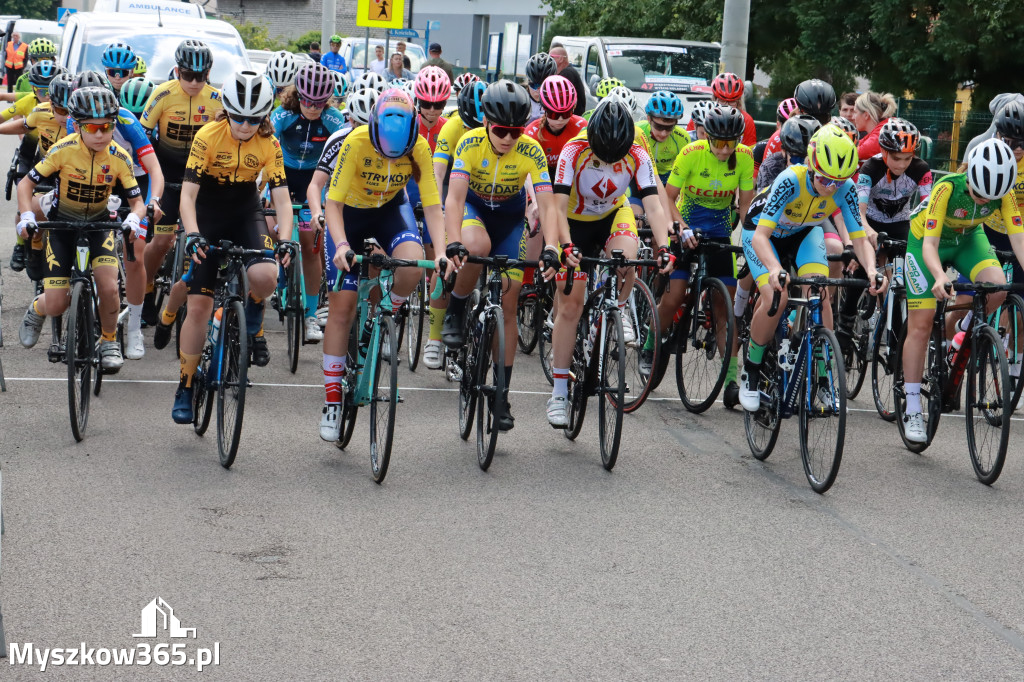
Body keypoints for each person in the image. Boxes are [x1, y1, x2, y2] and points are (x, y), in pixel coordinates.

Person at [318, 88, 449, 441]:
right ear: (374, 128)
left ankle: (386, 310)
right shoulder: (357, 142)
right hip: (351, 214)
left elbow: (434, 207)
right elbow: (332, 205)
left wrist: (440, 252)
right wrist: (342, 245)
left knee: (412, 266)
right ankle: (332, 399)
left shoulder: (419, 146)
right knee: (342, 308)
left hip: (392, 210)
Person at [171, 70, 295, 423]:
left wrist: (285, 239)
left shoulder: (269, 143)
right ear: (226, 111)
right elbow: (188, 195)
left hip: (244, 209)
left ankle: (254, 304)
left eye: (253, 119)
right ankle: (186, 382)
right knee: (198, 307)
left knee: (267, 274)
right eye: (238, 117)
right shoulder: (208, 136)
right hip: (207, 212)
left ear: (264, 116)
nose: (244, 125)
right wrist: (193, 234)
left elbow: (282, 201)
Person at [544, 98, 674, 426]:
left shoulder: (638, 153)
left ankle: (615, 310)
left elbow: (655, 206)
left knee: (627, 259)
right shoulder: (574, 150)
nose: (610, 160)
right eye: (604, 154)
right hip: (572, 221)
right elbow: (556, 208)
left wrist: (664, 247)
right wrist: (566, 246)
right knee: (571, 305)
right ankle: (559, 392)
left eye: (616, 155)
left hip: (613, 213)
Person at [738, 125, 885, 412]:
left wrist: (871, 271)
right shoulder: (789, 180)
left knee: (820, 292)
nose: (831, 187)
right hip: (762, 234)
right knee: (774, 297)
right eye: (825, 179)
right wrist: (773, 269)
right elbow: (760, 238)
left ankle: (823, 377)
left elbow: (859, 238)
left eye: (838, 182)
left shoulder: (846, 188)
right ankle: (751, 370)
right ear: (810, 164)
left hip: (804, 233)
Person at [440, 79, 558, 431]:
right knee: (477, 248)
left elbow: (548, 204)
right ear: (488, 123)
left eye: (515, 131)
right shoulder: (470, 143)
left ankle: (501, 394)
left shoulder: (531, 149)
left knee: (510, 299)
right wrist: (452, 240)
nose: (508, 138)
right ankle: (457, 308)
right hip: (475, 210)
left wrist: (552, 246)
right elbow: (454, 199)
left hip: (509, 219)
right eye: (501, 130)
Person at [899, 139, 1023, 442]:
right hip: (927, 243)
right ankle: (913, 405)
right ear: (970, 176)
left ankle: (964, 332)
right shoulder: (947, 188)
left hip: (969, 240)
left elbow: (1019, 239)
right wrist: (940, 277)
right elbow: (929, 244)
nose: (983, 201)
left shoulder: (1003, 195)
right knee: (922, 322)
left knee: (998, 288)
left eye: (990, 197)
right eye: (979, 194)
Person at [16, 87, 146, 373]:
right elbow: (26, 184)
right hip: (62, 226)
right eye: (91, 127)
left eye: (106, 127)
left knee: (110, 287)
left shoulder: (120, 157)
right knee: (56, 303)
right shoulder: (62, 150)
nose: (99, 134)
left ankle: (110, 339)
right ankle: (37, 309)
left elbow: (137, 202)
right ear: (77, 124)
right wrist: (26, 214)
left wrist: (134, 219)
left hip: (99, 226)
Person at [647, 106, 754, 394]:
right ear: (707, 137)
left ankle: (731, 379)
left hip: (719, 229)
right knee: (675, 296)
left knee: (725, 308)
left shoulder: (743, 157)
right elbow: (668, 198)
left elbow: (745, 207)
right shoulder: (691, 152)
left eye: (730, 143)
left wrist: (752, 237)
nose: (724, 150)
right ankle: (650, 343)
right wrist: (680, 227)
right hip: (686, 225)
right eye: (718, 143)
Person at [141, 40, 223, 337]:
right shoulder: (162, 94)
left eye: (200, 76)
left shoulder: (217, 99)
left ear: (208, 74)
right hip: (168, 171)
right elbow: (144, 136)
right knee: (161, 243)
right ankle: (148, 287)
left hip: (201, 173)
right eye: (187, 74)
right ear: (176, 70)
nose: (193, 82)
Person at [271, 62, 346, 343]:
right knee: (271, 228)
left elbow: (344, 151)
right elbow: (268, 147)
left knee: (310, 245)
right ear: (297, 94)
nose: (313, 108)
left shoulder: (334, 119)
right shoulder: (283, 114)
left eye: (319, 102)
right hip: (283, 175)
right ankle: (280, 281)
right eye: (307, 101)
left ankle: (312, 315)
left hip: (314, 180)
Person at [852, 91, 897, 160]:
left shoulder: (882, 134)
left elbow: (853, 153)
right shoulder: (880, 130)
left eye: (855, 112)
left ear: (866, 115)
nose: (853, 117)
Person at [547, 43, 586, 116]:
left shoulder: (567, 74)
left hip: (571, 117)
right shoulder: (568, 72)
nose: (549, 60)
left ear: (561, 59)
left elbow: (559, 100)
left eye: (551, 57)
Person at [524, 52, 557, 123]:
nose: (538, 90)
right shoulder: (520, 99)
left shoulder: (557, 101)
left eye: (544, 86)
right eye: (534, 85)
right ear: (528, 81)